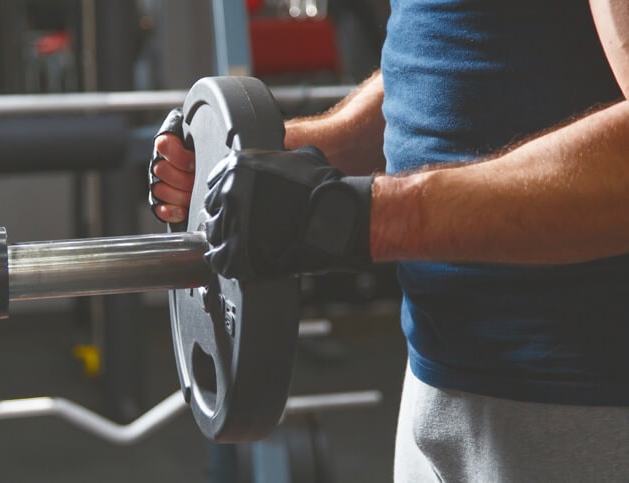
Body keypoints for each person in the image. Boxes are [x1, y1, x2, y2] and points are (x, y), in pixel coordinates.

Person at [149, 1, 629, 481]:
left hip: (578, 397)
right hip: (440, 375)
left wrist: (357, 216)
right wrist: (283, 159)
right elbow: (462, 45)